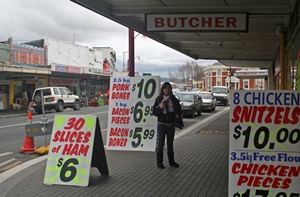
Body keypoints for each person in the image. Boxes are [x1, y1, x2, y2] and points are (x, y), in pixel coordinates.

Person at [153, 82, 182, 169]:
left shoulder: (174, 99)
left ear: (170, 90)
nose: (167, 90)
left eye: (168, 88)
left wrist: (177, 114)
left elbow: (179, 110)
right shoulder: (158, 99)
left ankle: (171, 161)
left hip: (171, 124)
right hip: (161, 124)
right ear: (162, 90)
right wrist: (160, 107)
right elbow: (154, 112)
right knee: (160, 143)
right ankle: (159, 162)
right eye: (165, 88)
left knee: (170, 143)